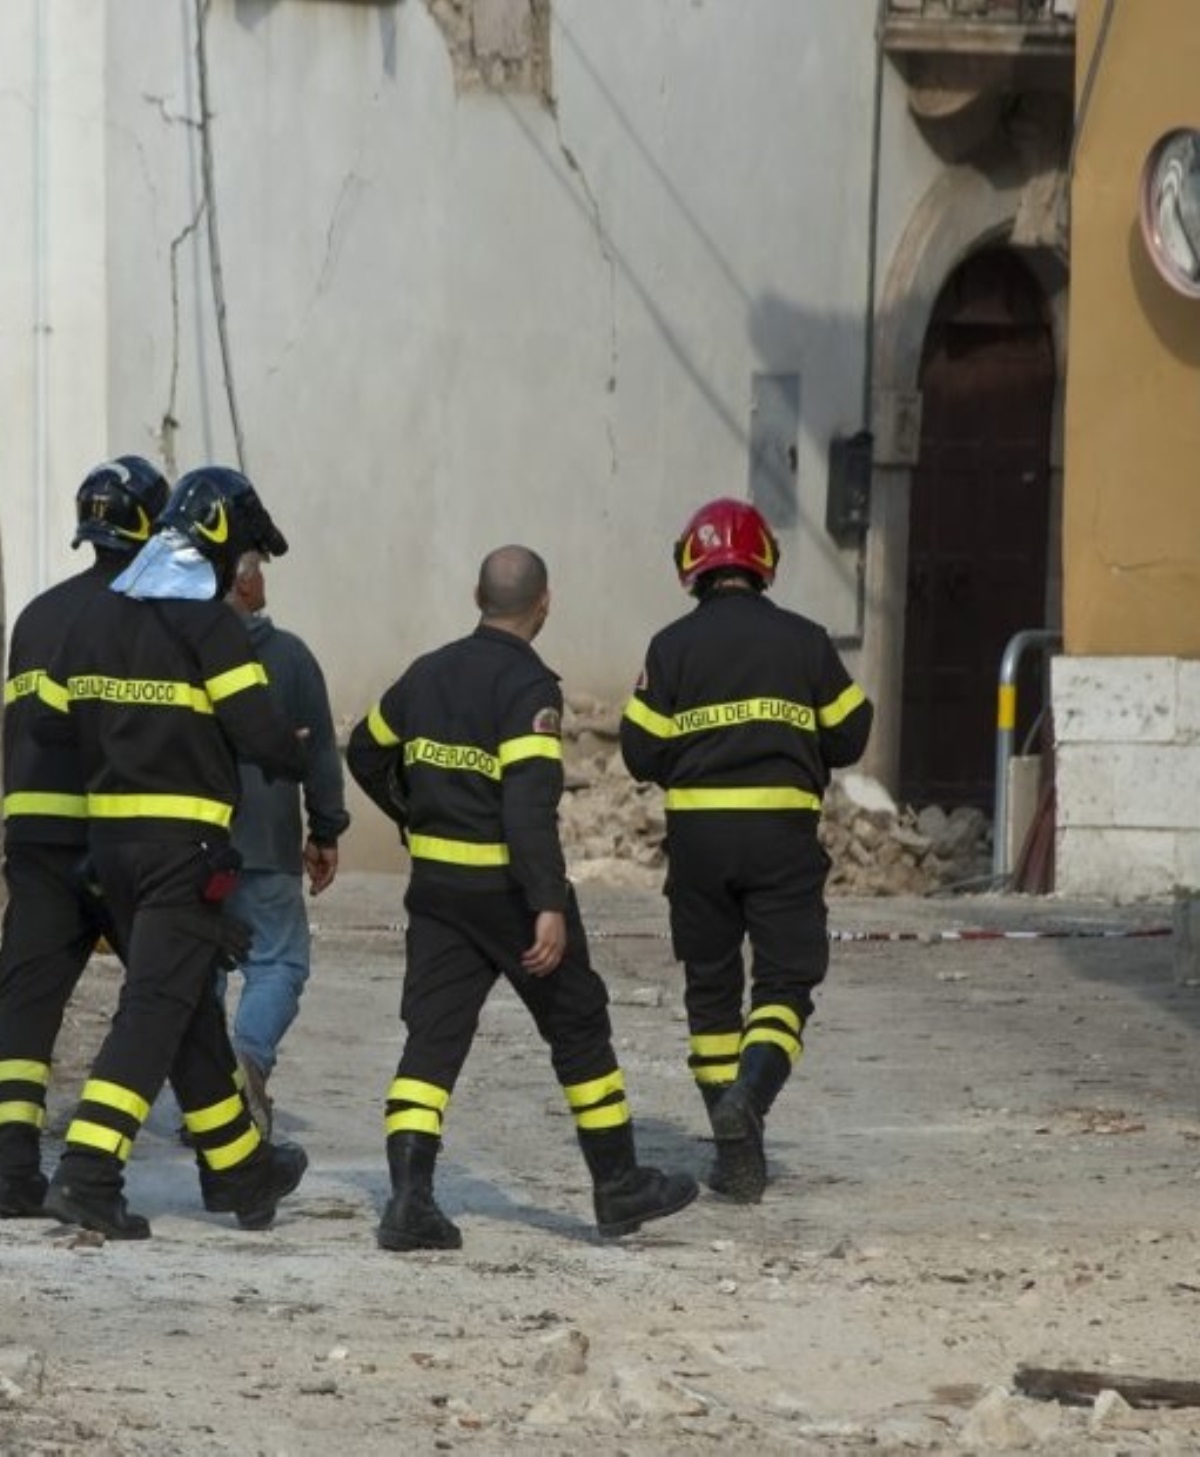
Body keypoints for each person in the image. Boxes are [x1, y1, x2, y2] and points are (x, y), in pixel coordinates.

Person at [347, 545, 698, 1252]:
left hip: (439, 892)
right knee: (578, 1025)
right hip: (507, 894)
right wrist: (546, 903)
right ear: (545, 604)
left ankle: (409, 1203)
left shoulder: (428, 671)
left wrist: (410, 812)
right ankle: (618, 1184)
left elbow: (363, 750)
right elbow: (526, 807)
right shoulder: (529, 688)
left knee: (433, 1039)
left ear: (478, 594)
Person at [33, 466, 310, 1239]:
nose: (243, 571)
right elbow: (258, 732)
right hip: (184, 850)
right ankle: (89, 1176)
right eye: (245, 555)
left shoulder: (93, 621)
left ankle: (241, 1172)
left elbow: (52, 722)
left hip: (111, 848)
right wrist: (291, 753)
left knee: (186, 1007)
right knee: (154, 1010)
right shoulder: (212, 627)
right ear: (221, 544)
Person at [619, 498, 873, 1203]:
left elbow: (639, 749)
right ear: (764, 560)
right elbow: (853, 733)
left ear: (691, 566)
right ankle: (751, 1100)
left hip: (699, 843)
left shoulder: (670, 647)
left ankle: (736, 1150)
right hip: (781, 842)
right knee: (786, 984)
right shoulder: (806, 640)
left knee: (710, 988)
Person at [0, 456, 170, 1218]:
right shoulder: (144, 615)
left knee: (25, 1008)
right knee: (169, 996)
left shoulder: (37, 614)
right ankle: (238, 1164)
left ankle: (10, 1169)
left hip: (33, 834)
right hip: (116, 835)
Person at [220, 550, 350, 1137]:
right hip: (266, 846)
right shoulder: (290, 657)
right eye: (259, 570)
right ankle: (245, 1060)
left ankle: (208, 1086)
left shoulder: (169, 650)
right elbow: (320, 752)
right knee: (277, 962)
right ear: (244, 583)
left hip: (185, 848)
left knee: (196, 967)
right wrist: (325, 831)